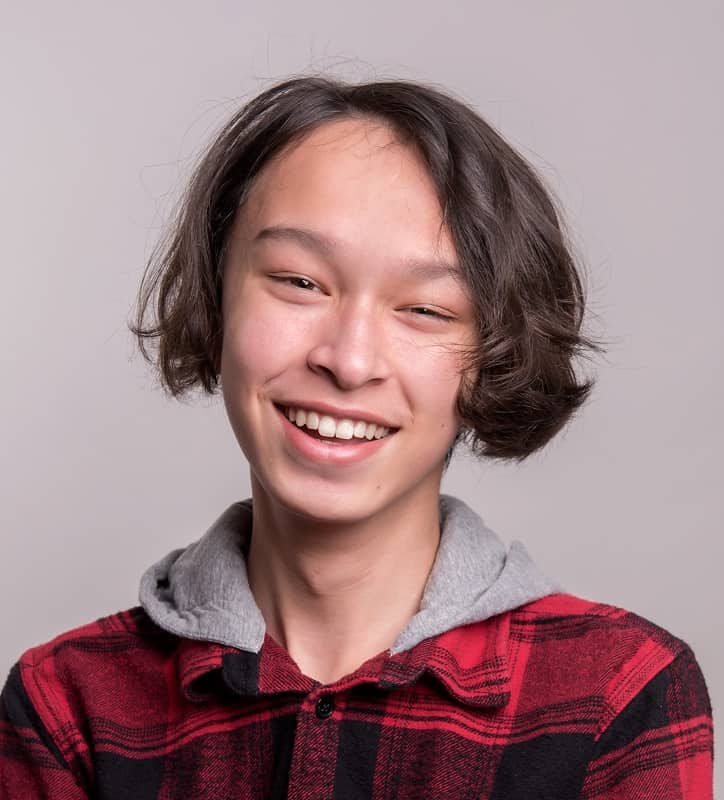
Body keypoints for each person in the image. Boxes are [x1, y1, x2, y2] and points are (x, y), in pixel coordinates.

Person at [0, 75, 713, 799]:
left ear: (492, 357)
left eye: (426, 310)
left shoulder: (617, 694)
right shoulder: (68, 706)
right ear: (216, 299)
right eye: (300, 282)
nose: (348, 360)